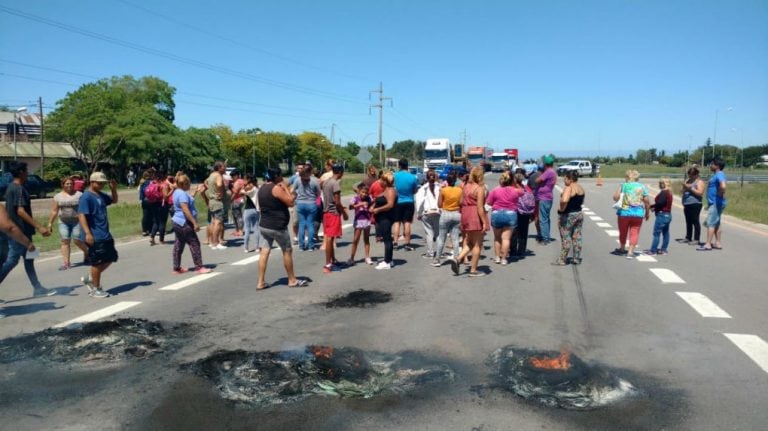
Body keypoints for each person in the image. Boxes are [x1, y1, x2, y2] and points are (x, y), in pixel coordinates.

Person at [0, 162, 55, 297]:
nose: (28, 173)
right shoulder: (19, 189)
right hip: (19, 232)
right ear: (20, 172)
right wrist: (40, 227)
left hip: (20, 231)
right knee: (12, 261)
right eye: (26, 170)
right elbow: (20, 211)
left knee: (29, 258)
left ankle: (37, 288)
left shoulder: (11, 187)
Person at [256, 167, 307, 289]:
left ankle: (260, 281)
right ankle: (292, 280)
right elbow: (290, 202)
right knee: (287, 251)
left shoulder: (262, 188)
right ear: (277, 176)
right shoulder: (276, 188)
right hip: (277, 226)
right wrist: (285, 188)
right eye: (280, 176)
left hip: (264, 225)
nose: (282, 178)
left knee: (265, 251)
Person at [78, 171, 119, 298]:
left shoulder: (100, 195)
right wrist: (88, 233)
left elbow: (114, 200)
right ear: (92, 182)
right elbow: (81, 215)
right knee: (97, 261)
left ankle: (91, 278)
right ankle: (95, 289)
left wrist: (114, 189)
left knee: (112, 256)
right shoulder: (86, 197)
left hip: (104, 232)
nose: (101, 185)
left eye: (103, 183)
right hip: (94, 234)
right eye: (99, 183)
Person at [451, 166, 488, 277]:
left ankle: (458, 259)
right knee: (477, 245)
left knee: (470, 242)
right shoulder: (479, 188)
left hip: (465, 214)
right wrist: (484, 221)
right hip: (474, 215)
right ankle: (473, 270)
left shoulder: (465, 186)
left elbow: (461, 201)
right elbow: (480, 207)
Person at [170, 174, 211, 274]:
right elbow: (185, 209)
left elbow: (186, 200)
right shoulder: (182, 194)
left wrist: (195, 192)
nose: (190, 185)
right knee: (194, 243)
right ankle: (199, 267)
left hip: (177, 221)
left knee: (179, 244)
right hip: (184, 222)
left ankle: (176, 268)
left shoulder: (177, 192)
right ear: (184, 184)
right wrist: (194, 223)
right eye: (188, 183)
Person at [47, 177, 88, 270]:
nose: (69, 185)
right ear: (63, 185)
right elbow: (54, 211)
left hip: (77, 221)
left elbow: (85, 207)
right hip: (63, 222)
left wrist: (83, 216)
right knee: (65, 240)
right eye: (67, 184)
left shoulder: (79, 195)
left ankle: (87, 252)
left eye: (71, 184)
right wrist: (50, 224)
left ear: (73, 185)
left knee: (77, 240)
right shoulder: (57, 196)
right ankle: (66, 263)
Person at [612, 169, 650, 258]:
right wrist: (647, 212)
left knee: (623, 231)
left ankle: (622, 249)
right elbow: (647, 201)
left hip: (624, 213)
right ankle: (630, 252)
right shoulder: (642, 187)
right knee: (635, 232)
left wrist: (621, 190)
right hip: (638, 213)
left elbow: (615, 197)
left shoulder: (623, 185)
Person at [486, 171, 519, 265]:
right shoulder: (514, 191)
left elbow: (489, 202)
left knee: (497, 238)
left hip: (497, 214)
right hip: (510, 214)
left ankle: (497, 257)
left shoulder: (495, 190)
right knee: (506, 239)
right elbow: (517, 200)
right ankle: (504, 259)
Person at [322, 164, 349, 273]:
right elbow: (337, 202)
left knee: (330, 237)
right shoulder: (336, 184)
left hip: (326, 212)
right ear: (340, 172)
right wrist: (344, 212)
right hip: (333, 213)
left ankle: (332, 260)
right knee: (330, 238)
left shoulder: (326, 182)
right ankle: (328, 264)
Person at [554, 171, 585, 265]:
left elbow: (564, 200)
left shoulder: (569, 188)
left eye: (565, 178)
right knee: (577, 236)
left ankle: (562, 259)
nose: (564, 180)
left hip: (568, 215)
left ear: (570, 179)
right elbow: (582, 202)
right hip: (579, 213)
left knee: (566, 237)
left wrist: (561, 209)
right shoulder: (581, 188)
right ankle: (576, 258)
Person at [431, 170, 462, 267]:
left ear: (447, 181)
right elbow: (461, 203)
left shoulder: (443, 190)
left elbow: (439, 204)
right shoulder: (460, 190)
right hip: (457, 214)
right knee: (455, 238)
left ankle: (437, 260)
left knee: (441, 238)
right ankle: (456, 258)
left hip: (445, 213)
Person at [698, 158, 727, 251]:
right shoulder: (717, 175)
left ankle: (708, 244)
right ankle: (718, 243)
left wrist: (719, 195)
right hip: (715, 203)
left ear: (717, 166)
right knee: (716, 223)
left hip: (716, 203)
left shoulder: (719, 174)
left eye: (712, 164)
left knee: (710, 223)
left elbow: (723, 186)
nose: (710, 166)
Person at [371, 171, 397, 269]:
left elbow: (390, 204)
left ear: (386, 181)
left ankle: (387, 261)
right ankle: (389, 260)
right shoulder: (386, 190)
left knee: (387, 239)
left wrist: (378, 209)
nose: (379, 181)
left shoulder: (390, 190)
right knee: (386, 239)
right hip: (382, 218)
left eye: (381, 180)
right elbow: (379, 199)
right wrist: (373, 206)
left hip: (386, 217)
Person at [293, 164, 321, 251]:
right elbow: (318, 194)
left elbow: (293, 191)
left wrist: (296, 198)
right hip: (311, 204)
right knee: (310, 225)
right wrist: (318, 204)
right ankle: (310, 246)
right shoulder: (314, 181)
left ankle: (301, 246)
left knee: (301, 224)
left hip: (300, 204)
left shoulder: (298, 180)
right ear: (310, 171)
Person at [392, 159, 419, 250]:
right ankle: (407, 243)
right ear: (407, 166)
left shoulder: (395, 176)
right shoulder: (413, 177)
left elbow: (393, 188)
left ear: (399, 166)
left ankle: (395, 243)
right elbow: (415, 190)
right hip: (409, 201)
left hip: (398, 202)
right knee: (407, 223)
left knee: (396, 223)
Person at [415, 169, 441, 260]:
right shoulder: (440, 187)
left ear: (426, 178)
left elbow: (419, 202)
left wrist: (419, 213)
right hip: (437, 212)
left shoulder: (423, 189)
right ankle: (439, 252)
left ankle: (430, 252)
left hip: (427, 213)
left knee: (429, 233)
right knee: (438, 234)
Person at [645, 177, 673, 256]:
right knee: (666, 233)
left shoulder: (664, 192)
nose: (660, 185)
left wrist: (652, 206)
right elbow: (663, 203)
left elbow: (660, 203)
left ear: (665, 184)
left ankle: (653, 250)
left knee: (656, 233)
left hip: (661, 214)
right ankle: (664, 249)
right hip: (668, 214)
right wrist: (655, 207)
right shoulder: (669, 192)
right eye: (659, 183)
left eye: (661, 183)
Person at [511, 171, 535, 260]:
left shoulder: (513, 189)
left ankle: (513, 251)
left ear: (514, 179)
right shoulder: (527, 188)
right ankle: (521, 251)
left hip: (516, 211)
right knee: (523, 232)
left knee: (514, 231)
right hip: (526, 213)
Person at [348, 184, 373, 265]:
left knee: (366, 239)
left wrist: (371, 207)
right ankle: (352, 258)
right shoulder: (355, 198)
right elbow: (350, 207)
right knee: (355, 240)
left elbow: (372, 205)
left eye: (366, 193)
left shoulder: (369, 198)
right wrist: (360, 204)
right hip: (358, 221)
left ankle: (367, 257)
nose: (364, 194)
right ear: (359, 191)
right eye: (363, 192)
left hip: (367, 220)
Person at [205, 161, 227, 250]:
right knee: (218, 222)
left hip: (211, 200)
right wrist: (221, 193)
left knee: (213, 222)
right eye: (223, 167)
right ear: (219, 168)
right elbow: (219, 184)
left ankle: (211, 242)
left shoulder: (211, 175)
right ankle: (216, 242)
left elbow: (206, 182)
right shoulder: (218, 175)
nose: (225, 168)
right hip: (217, 201)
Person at [534, 156, 557, 244]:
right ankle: (547, 235)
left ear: (545, 164)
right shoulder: (553, 172)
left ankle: (545, 238)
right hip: (548, 197)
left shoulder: (548, 172)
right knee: (546, 218)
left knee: (543, 219)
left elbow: (537, 180)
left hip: (544, 197)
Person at [680, 167, 705, 245]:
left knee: (695, 220)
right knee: (688, 221)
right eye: (689, 175)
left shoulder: (699, 182)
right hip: (687, 204)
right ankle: (688, 237)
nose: (690, 177)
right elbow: (682, 191)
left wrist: (690, 188)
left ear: (696, 175)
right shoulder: (688, 181)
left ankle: (696, 239)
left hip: (695, 204)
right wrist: (684, 187)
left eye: (692, 175)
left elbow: (700, 193)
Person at [242, 174, 261, 253]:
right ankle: (257, 247)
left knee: (247, 229)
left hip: (248, 209)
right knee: (256, 228)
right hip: (256, 209)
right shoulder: (258, 187)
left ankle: (246, 248)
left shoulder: (249, 188)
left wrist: (245, 185)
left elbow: (242, 191)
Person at [139, 169, 154, 236]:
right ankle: (150, 229)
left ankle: (144, 230)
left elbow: (141, 193)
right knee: (151, 215)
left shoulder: (142, 183)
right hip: (151, 200)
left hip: (144, 201)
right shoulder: (151, 182)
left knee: (145, 215)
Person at [230, 170, 245, 237]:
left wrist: (230, 199)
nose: (232, 178)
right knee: (237, 215)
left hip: (237, 200)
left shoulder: (237, 182)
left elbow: (235, 192)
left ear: (236, 175)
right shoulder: (242, 181)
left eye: (232, 176)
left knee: (237, 216)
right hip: (241, 199)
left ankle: (240, 231)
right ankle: (238, 230)